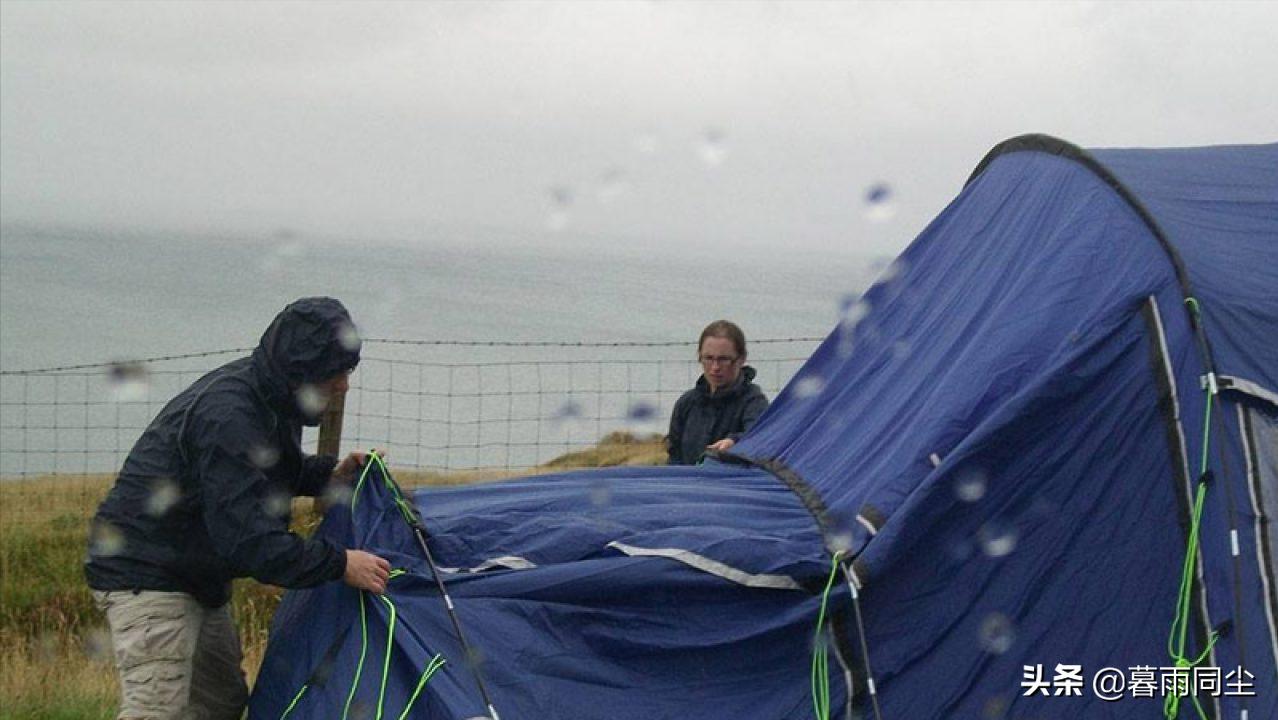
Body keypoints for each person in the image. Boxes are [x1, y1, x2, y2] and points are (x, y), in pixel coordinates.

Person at [85, 297, 391, 720]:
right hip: (145, 570)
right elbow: (251, 544)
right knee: (157, 710)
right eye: (335, 373)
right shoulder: (231, 416)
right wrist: (341, 564)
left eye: (348, 371)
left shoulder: (273, 398)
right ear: (301, 372)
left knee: (220, 703)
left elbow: (264, 471)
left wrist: (329, 476)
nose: (344, 386)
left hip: (195, 572)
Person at [667, 320, 770, 465]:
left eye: (724, 359)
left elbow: (760, 440)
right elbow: (674, 456)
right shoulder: (686, 403)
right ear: (699, 357)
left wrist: (735, 442)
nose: (715, 367)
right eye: (708, 358)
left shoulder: (754, 402)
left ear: (741, 359)